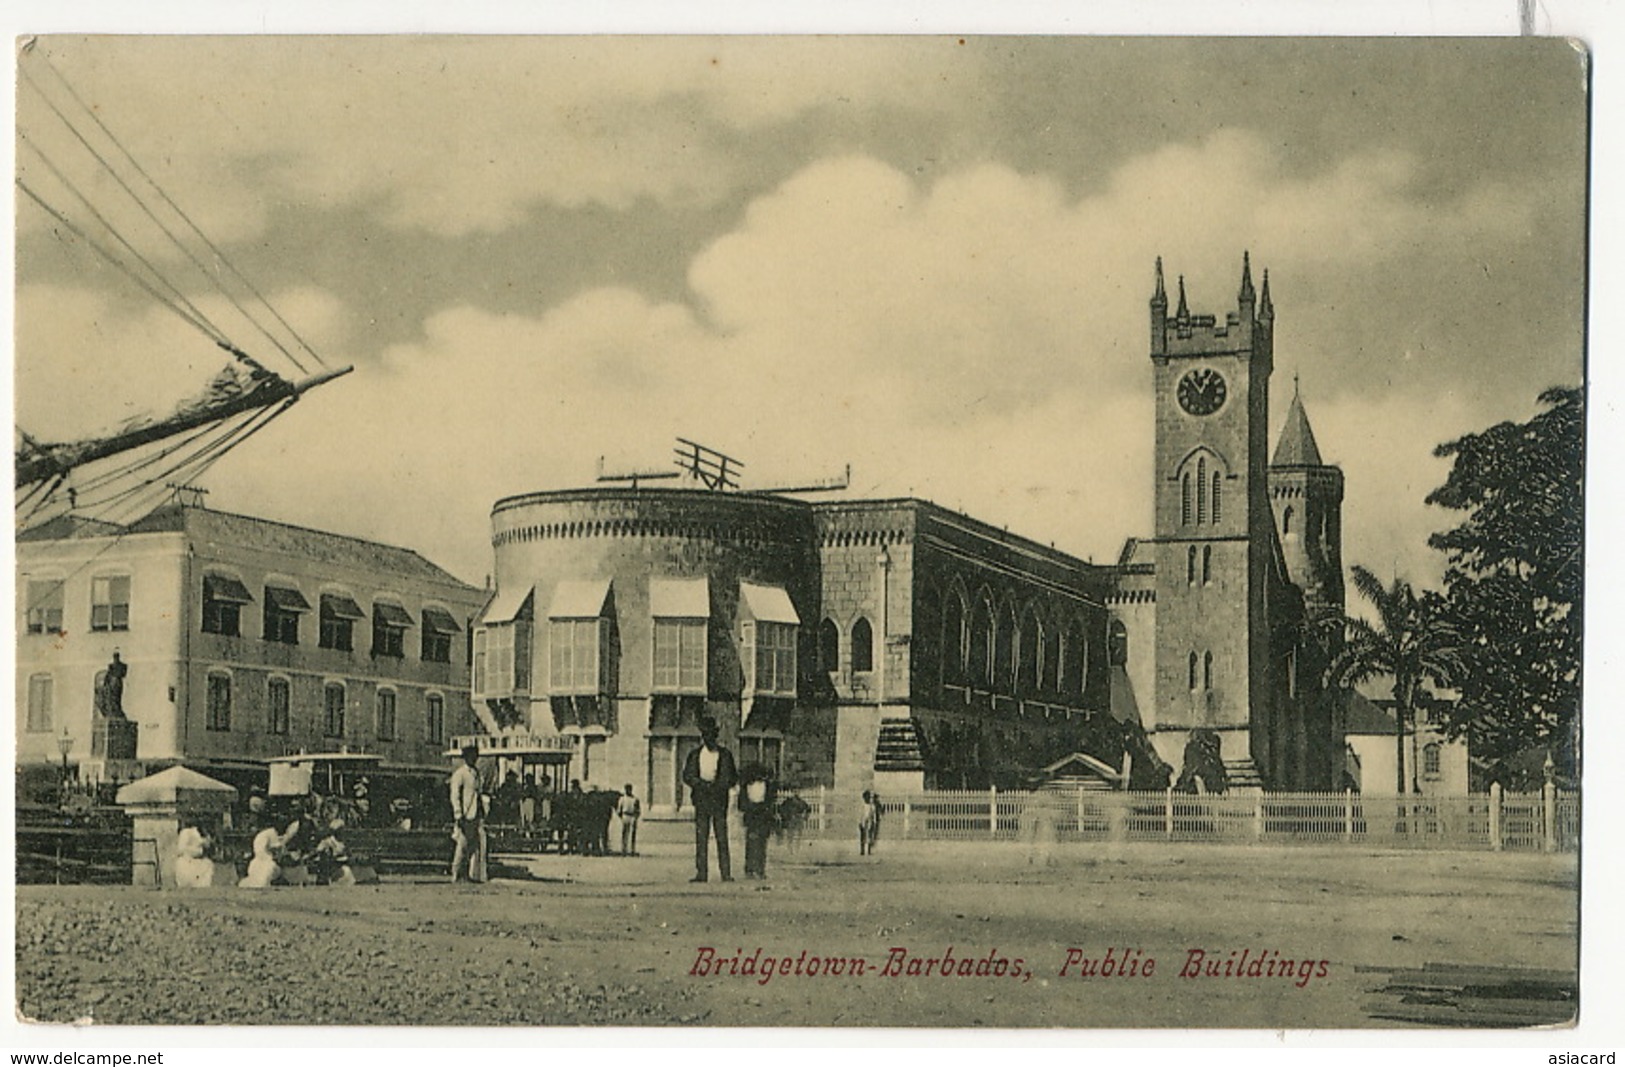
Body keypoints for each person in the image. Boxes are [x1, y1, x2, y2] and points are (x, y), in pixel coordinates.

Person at [680, 716, 738, 883]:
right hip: (702, 800)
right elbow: (687, 775)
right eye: (705, 735)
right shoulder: (695, 755)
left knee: (721, 837)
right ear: (702, 736)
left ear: (715, 736)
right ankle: (701, 873)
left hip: (719, 801)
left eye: (711, 735)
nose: (708, 738)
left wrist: (719, 785)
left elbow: (732, 777)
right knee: (701, 838)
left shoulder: (725, 755)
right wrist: (700, 785)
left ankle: (725, 874)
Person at [449, 744, 486, 883]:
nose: (474, 759)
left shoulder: (476, 773)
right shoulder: (460, 774)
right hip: (465, 814)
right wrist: (458, 814)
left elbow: (479, 793)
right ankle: (456, 874)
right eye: (472, 756)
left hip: (475, 813)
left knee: (474, 845)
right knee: (462, 844)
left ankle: (472, 874)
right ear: (466, 757)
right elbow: (455, 795)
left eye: (476, 756)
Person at [737, 764, 777, 879]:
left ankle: (760, 869)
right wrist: (750, 808)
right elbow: (741, 804)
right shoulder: (746, 787)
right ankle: (749, 869)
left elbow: (770, 801)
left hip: (763, 816)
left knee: (762, 844)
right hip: (751, 816)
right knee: (751, 843)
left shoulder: (767, 786)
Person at [616, 784, 642, 856]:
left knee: (632, 834)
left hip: (632, 816)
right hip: (625, 816)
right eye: (626, 789)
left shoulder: (635, 799)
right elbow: (619, 810)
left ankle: (632, 850)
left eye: (629, 789)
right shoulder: (622, 799)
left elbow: (638, 810)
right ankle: (624, 850)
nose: (628, 791)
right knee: (624, 834)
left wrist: (636, 817)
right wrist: (621, 817)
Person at [858, 790, 879, 856]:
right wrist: (860, 822)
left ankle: (869, 850)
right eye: (866, 797)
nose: (867, 799)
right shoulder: (862, 806)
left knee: (869, 835)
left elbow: (874, 815)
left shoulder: (872, 806)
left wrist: (874, 822)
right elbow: (860, 814)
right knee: (862, 836)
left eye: (868, 797)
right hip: (863, 821)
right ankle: (862, 850)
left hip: (870, 821)